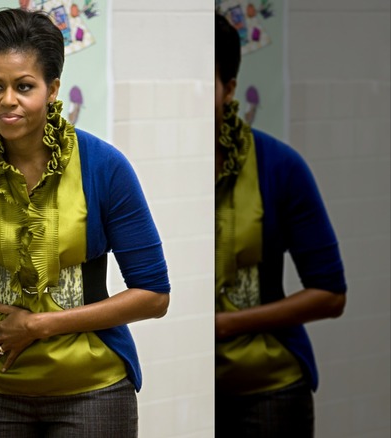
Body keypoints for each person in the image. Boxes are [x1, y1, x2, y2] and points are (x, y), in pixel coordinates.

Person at [0, 8, 170, 438]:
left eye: (24, 87)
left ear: (52, 88)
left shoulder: (104, 168)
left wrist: (39, 324)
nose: (7, 101)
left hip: (94, 393)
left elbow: (153, 296)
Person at [214, 12, 347, 438]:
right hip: (176, 383)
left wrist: (224, 324)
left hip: (267, 388)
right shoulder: (144, 167)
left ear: (230, 89)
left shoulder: (278, 165)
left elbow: (329, 295)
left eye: (203, 85)